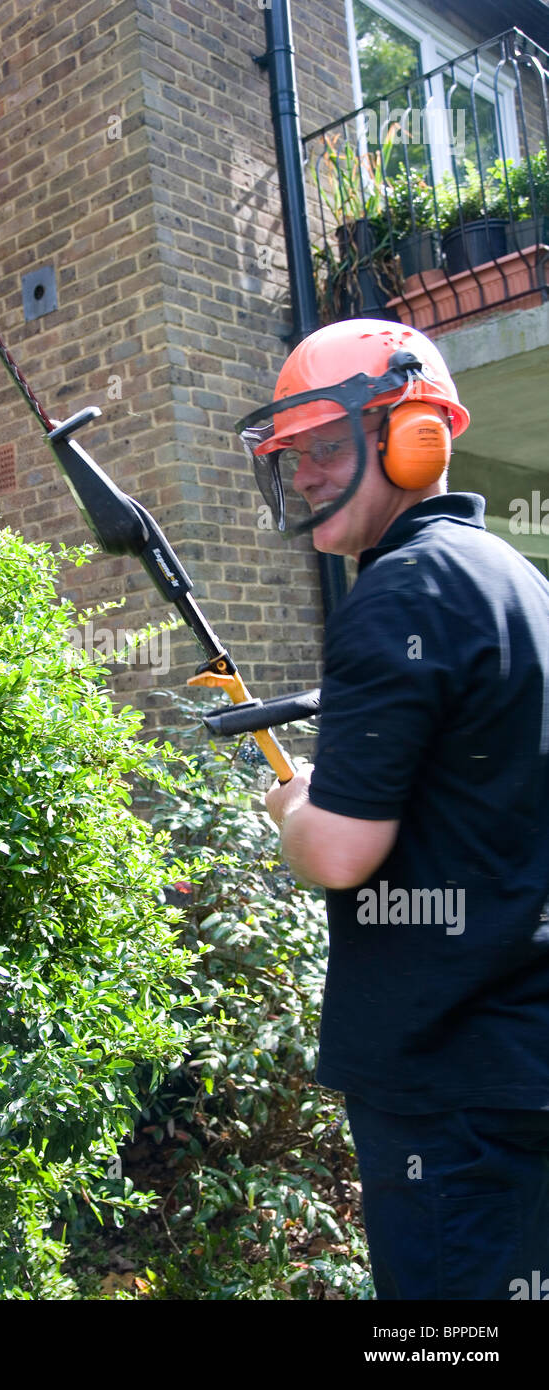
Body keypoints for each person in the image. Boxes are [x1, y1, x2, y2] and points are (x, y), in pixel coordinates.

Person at [243, 318, 549, 1301]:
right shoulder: (515, 580)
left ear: (412, 433)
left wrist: (294, 807)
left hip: (449, 1089)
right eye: (292, 456)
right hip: (520, 1064)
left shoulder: (395, 594)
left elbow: (336, 853)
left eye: (326, 446)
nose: (303, 476)